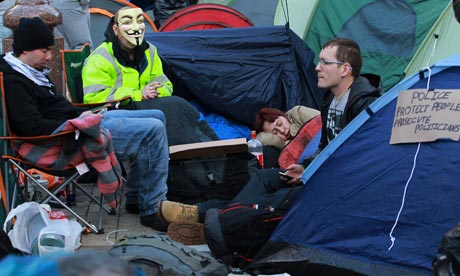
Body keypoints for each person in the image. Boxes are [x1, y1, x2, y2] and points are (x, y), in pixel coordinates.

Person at [159, 37, 382, 245]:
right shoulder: (330, 99)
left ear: (345, 69)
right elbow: (326, 146)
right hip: (321, 174)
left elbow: (361, 161)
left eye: (325, 62)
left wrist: (314, 174)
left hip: (340, 186)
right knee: (266, 177)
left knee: (279, 199)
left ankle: (208, 222)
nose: (317, 67)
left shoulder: (364, 105)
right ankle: (210, 218)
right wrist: (304, 166)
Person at [0, 17, 169, 231]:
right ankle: (152, 208)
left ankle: (136, 197)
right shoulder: (15, 81)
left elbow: (56, 108)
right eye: (44, 50)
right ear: (25, 49)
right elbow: (31, 127)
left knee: (157, 115)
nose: (50, 56)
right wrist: (77, 123)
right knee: (152, 130)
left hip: (77, 123)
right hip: (66, 138)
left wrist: (84, 114)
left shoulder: (31, 73)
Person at [82, 6, 217, 146]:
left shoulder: (150, 51)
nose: (135, 27)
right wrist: (138, 94)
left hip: (148, 104)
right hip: (116, 111)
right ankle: (185, 155)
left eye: (140, 21)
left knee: (179, 106)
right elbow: (93, 98)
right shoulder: (100, 58)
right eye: (127, 22)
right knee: (173, 106)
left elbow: (165, 83)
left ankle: (213, 147)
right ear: (116, 29)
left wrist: (156, 91)